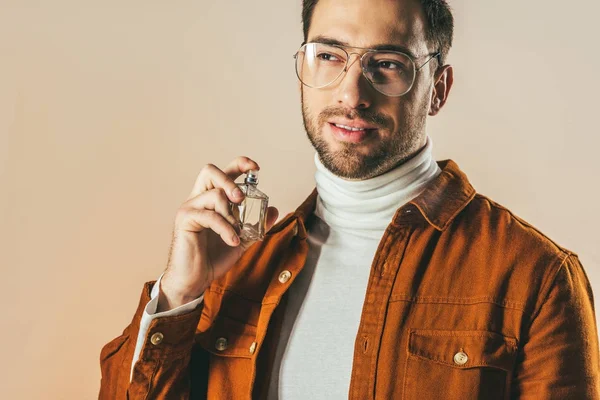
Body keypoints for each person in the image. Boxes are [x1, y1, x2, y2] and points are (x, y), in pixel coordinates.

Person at [99, 0, 600, 398]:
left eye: (387, 63)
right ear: (303, 65)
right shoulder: (238, 261)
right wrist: (179, 295)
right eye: (330, 56)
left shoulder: (537, 276)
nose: (352, 92)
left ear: (438, 89)